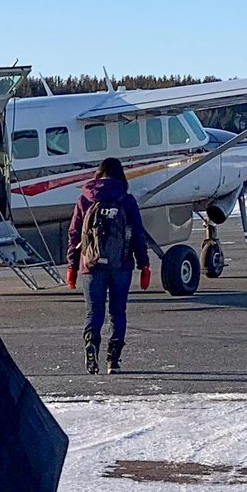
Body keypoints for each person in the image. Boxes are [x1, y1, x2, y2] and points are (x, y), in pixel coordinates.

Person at [64, 156, 150, 374]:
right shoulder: (126, 199)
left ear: (98, 173)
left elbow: (74, 234)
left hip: (90, 265)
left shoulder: (85, 199)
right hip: (121, 264)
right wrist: (144, 264)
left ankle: (91, 346)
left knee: (94, 312)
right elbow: (138, 234)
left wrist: (72, 266)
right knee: (117, 312)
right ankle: (114, 359)